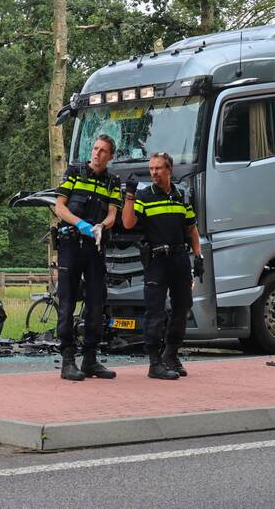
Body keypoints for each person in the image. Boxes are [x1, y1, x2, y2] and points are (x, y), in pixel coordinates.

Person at [122, 152, 202, 379]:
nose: (154, 173)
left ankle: (171, 355)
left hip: (179, 260)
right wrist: (130, 195)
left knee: (182, 308)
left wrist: (199, 257)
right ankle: (154, 363)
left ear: (169, 170)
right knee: (155, 311)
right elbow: (128, 223)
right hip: (157, 261)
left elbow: (192, 229)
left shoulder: (180, 196)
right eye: (151, 169)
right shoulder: (144, 197)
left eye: (158, 168)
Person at [53, 134, 122, 381]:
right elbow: (59, 207)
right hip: (71, 244)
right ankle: (68, 361)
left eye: (103, 151)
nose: (97, 153)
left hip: (96, 246)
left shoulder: (113, 182)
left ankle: (90, 359)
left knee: (96, 303)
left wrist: (102, 226)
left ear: (110, 156)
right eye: (95, 149)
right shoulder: (74, 172)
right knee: (68, 302)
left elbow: (113, 213)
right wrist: (81, 224)